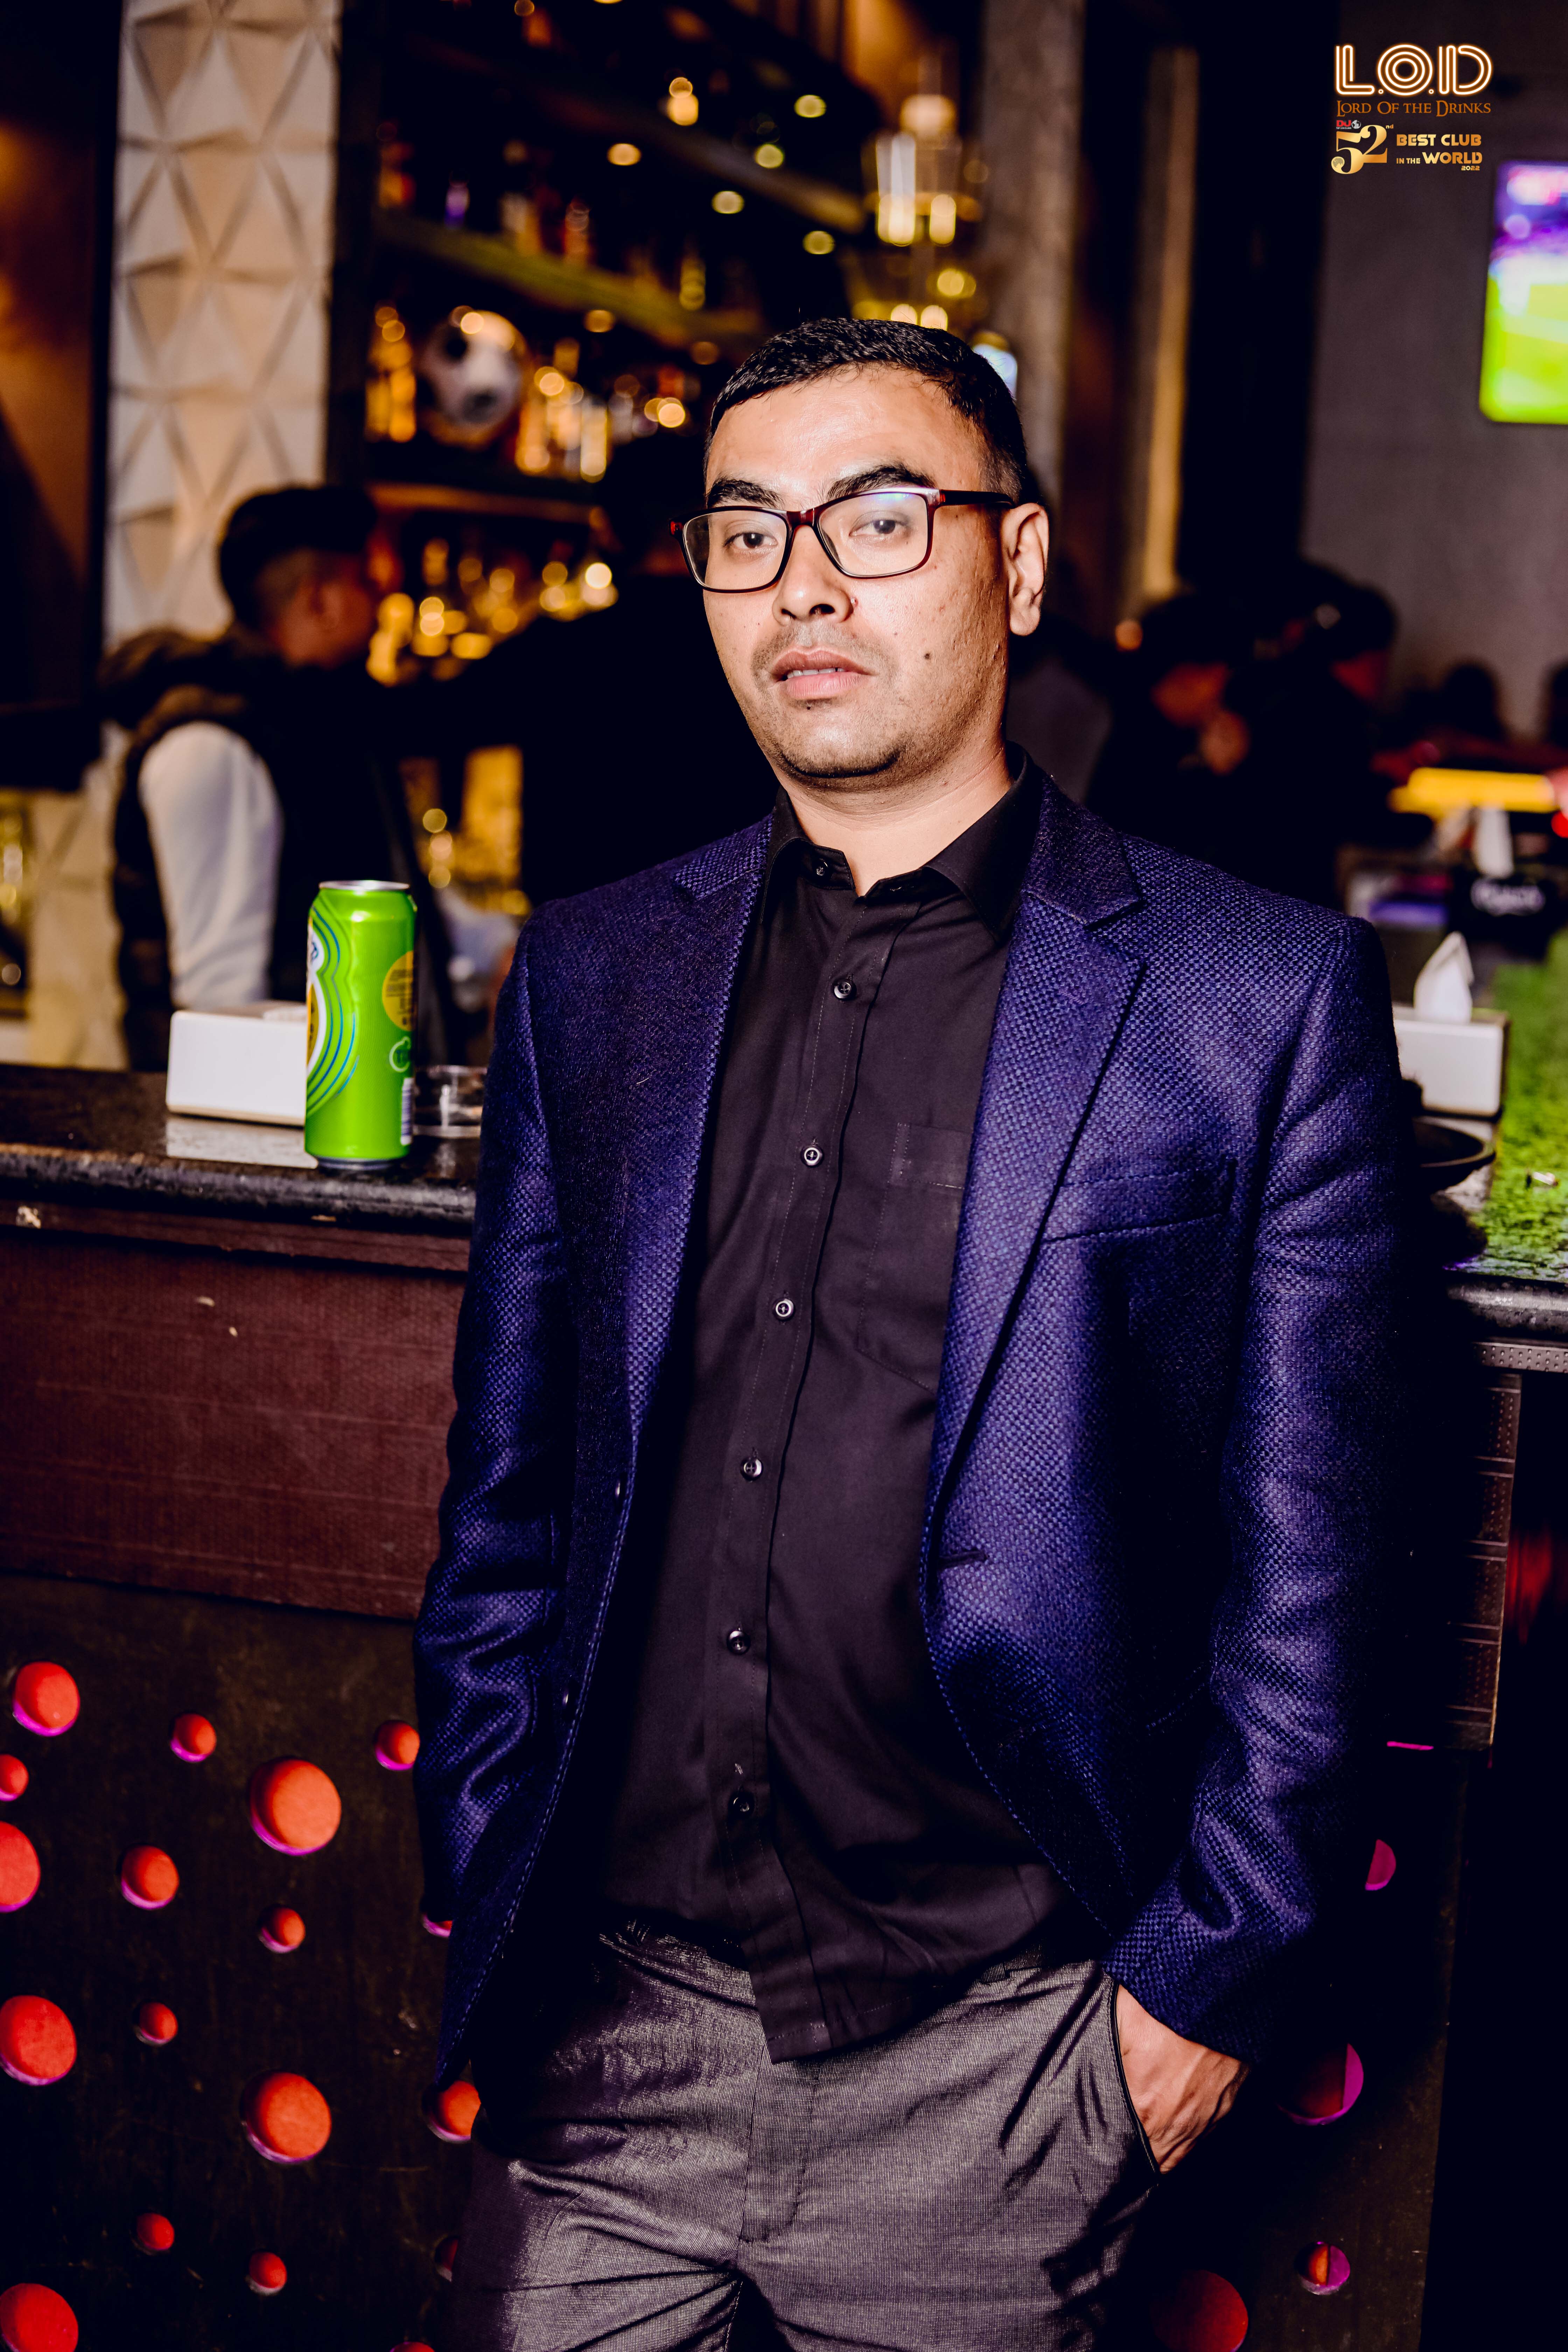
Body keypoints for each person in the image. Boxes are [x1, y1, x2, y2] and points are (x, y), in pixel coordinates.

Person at [414, 317, 1404, 2351]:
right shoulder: (593, 974)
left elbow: (1313, 1569)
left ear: (1015, 565)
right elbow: (506, 1493)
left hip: (1008, 2054)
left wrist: (1197, 1985)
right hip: (611, 2026)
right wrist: (487, 1831)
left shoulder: (1250, 997)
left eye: (876, 520)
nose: (802, 585)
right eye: (744, 531)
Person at [103, 484, 467, 1070]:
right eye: (366, 581)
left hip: (332, 1099)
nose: (383, 602)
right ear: (318, 600)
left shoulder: (320, 723)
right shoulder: (212, 742)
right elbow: (220, 1001)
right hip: (265, 1109)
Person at [456, 431, 776, 902]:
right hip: (735, 936)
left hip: (578, 937)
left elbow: (418, 722)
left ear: (605, 530)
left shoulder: (556, 655)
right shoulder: (765, 656)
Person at [1086, 592, 1250, 850]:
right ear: (1189, 676)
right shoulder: (1139, 746)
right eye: (1220, 676)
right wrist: (1218, 776)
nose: (1221, 692)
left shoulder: (1142, 723)